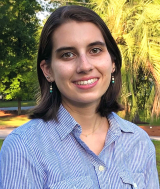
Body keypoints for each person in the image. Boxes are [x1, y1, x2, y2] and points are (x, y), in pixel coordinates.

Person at [0, 5, 159, 189]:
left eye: (95, 50)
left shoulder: (139, 142)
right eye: (68, 54)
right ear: (48, 70)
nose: (84, 66)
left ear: (113, 62)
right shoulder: (24, 148)